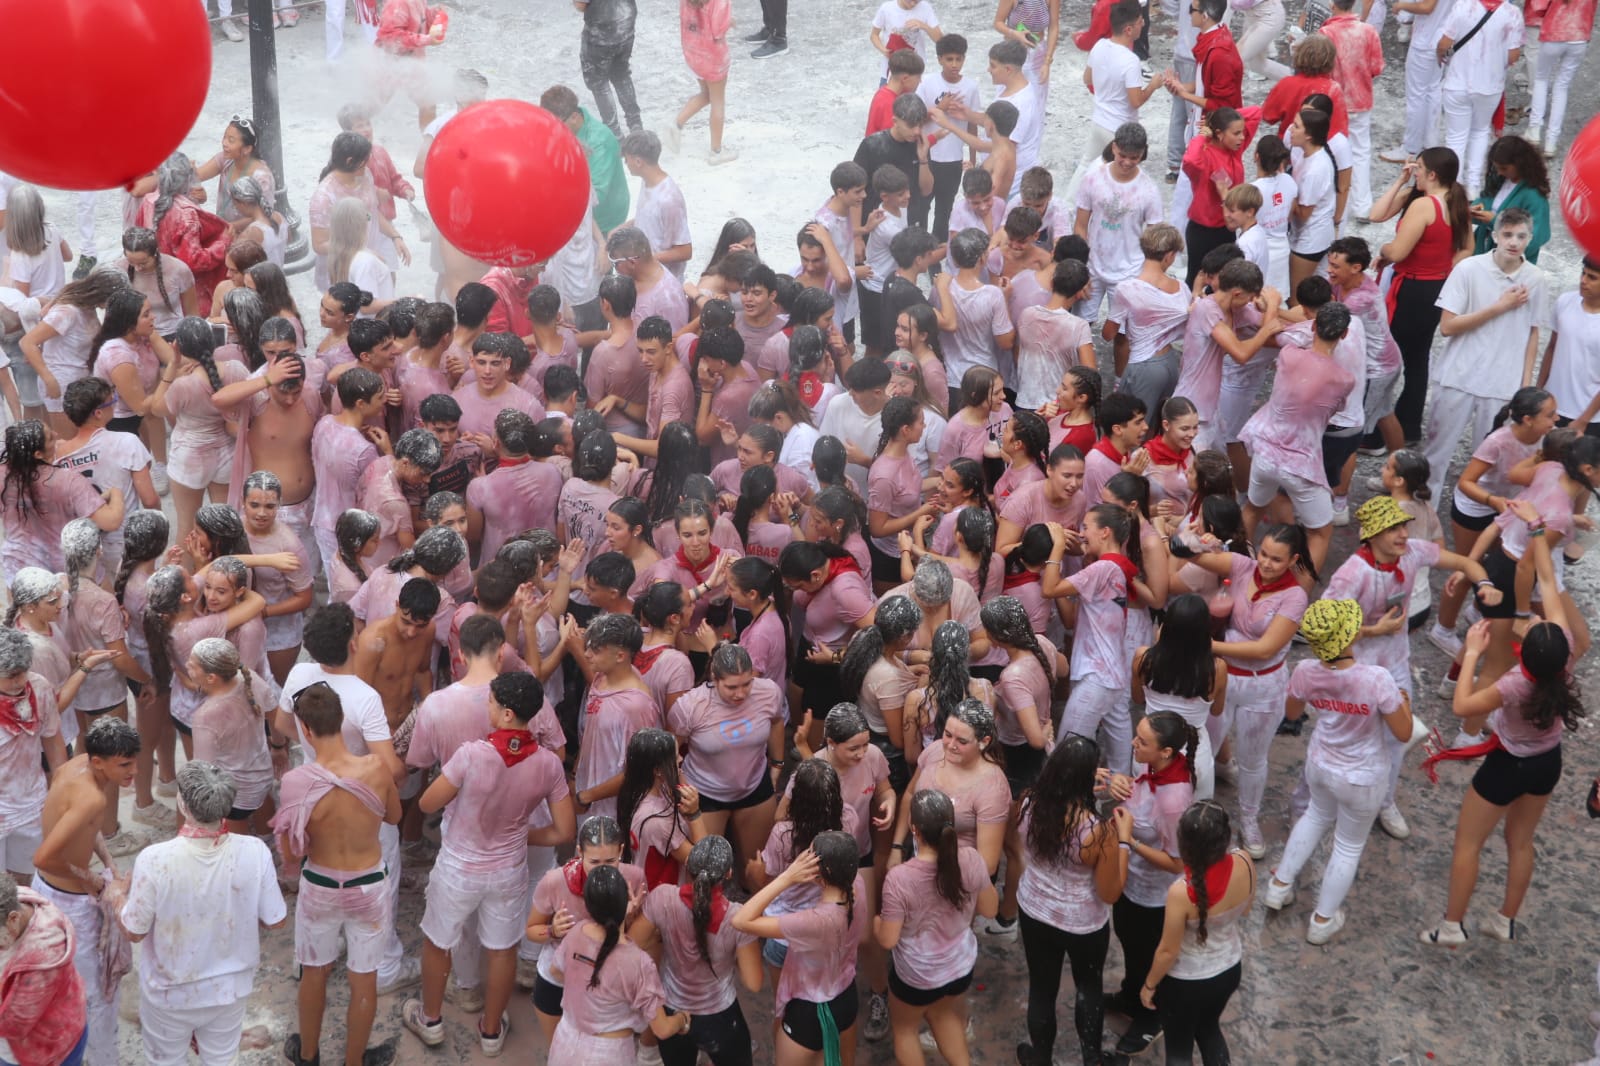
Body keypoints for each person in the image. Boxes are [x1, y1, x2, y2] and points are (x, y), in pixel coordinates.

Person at [403, 672, 575, 1053]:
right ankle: (492, 1031)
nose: (488, 706)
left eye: (493, 702)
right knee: (502, 949)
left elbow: (428, 802)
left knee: (437, 941)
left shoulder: (472, 754)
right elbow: (564, 830)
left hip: (460, 867)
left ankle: (430, 1020)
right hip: (507, 869)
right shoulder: (547, 764)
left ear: (509, 712)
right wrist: (520, 834)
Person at [118, 760, 285, 1064]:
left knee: (166, 1061)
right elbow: (276, 920)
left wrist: (117, 899)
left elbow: (134, 931)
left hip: (170, 994)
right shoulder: (254, 851)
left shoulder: (155, 860)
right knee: (222, 1060)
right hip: (229, 989)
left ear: (182, 802)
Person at [271, 682, 401, 1066]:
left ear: (305, 730)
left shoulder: (296, 781)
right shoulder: (377, 769)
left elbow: (293, 851)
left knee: (314, 973)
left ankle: (308, 1055)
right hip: (369, 887)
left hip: (321, 886)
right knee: (364, 979)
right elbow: (394, 816)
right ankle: (353, 1061)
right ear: (342, 720)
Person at [1013, 736, 1131, 1066]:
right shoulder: (1097, 831)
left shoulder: (1026, 802)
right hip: (1082, 922)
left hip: (1035, 909)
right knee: (1088, 987)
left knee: (1041, 987)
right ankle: (1092, 1059)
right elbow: (1110, 892)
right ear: (1085, 779)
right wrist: (1123, 841)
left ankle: (1040, 1057)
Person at [31, 716, 140, 1066]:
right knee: (97, 994)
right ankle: (102, 1059)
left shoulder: (75, 765)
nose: (133, 771)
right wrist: (91, 881)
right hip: (70, 902)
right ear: (98, 761)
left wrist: (106, 860)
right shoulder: (93, 797)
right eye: (124, 764)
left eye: (134, 761)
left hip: (49, 891)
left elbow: (82, 828)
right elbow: (44, 857)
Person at [1422, 209, 1549, 504]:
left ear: (1530, 239)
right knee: (1435, 455)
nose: (1514, 242)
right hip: (1458, 376)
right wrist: (1500, 306)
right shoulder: (1469, 269)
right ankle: (1423, 518)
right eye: (1507, 234)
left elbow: (1533, 334)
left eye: (1521, 236)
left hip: (1502, 385)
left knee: (1492, 462)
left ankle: (1475, 521)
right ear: (1494, 236)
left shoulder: (1536, 279)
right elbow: (1447, 326)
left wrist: (1525, 384)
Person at [733, 830, 869, 1066]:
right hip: (846, 996)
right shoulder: (858, 885)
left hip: (812, 1011)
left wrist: (787, 877)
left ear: (820, 876)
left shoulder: (816, 921)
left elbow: (741, 920)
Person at [1370, 147, 1473, 445]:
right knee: (1417, 360)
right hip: (1434, 289)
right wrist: (1441, 269)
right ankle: (1409, 427)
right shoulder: (1456, 200)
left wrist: (1384, 250)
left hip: (1412, 288)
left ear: (1432, 174)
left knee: (1386, 360)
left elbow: (1399, 251)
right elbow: (1467, 247)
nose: (1414, 171)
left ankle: (1377, 434)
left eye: (1419, 168)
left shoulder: (1424, 206)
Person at [632, 835, 763, 1066]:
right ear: (729, 874)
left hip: (673, 1011)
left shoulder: (663, 898)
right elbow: (753, 983)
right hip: (721, 1017)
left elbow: (632, 943)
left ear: (687, 866)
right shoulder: (737, 917)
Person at [1140, 802, 1254, 1065]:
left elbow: (1168, 951)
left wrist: (1149, 986)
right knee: (1209, 1030)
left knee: (1179, 1050)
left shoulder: (1181, 892)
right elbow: (1246, 908)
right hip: (1228, 970)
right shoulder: (1245, 861)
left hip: (1186, 984)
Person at [0, 420, 125, 584]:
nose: (56, 435)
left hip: (21, 570)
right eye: (50, 438)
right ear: (38, 454)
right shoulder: (68, 480)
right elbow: (111, 521)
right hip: (70, 570)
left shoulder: (3, 475)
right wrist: (116, 493)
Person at [1436, 0, 1526, 198]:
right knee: (1480, 132)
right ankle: (1473, 187)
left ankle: (1453, 185)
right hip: (1490, 86)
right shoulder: (1513, 13)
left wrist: (1441, 57)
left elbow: (1444, 43)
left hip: (1458, 82)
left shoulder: (1462, 6)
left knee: (1456, 137)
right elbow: (1513, 55)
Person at [0, 871, 88, 1066]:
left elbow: (13, 1026)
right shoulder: (15, 897)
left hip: (42, 1050)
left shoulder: (41, 961)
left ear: (13, 919)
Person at [541, 84, 632, 234]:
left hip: (604, 220)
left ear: (575, 118)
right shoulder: (566, 122)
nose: (550, 130)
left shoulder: (598, 142)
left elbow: (598, 193)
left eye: (555, 124)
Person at [150, 155, 231, 315]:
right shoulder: (186, 215)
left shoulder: (151, 202)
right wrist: (223, 243)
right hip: (189, 293)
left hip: (162, 285)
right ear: (186, 180)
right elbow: (195, 261)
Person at [1525, 0, 1593, 157]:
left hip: (1553, 31)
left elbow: (1538, 5)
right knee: (1562, 86)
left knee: (1541, 79)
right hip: (1579, 35)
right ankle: (1551, 141)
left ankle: (1534, 129)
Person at [1469, 137, 1551, 263]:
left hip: (1510, 267)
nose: (1499, 172)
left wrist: (1495, 222)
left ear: (1520, 164)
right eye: (1496, 168)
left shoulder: (1534, 196)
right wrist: (1474, 211)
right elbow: (1487, 201)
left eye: (1504, 168)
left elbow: (1534, 239)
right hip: (1484, 257)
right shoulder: (1499, 179)